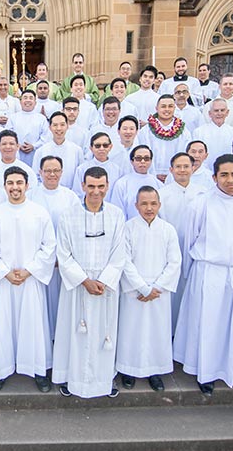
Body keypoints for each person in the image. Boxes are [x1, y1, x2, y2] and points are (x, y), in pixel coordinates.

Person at [172, 154, 233, 403]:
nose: (230, 180)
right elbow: (189, 241)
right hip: (209, 271)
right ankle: (206, 372)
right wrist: (189, 275)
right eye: (224, 175)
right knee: (209, 325)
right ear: (214, 177)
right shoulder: (200, 204)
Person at [0, 166, 57, 392]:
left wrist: (29, 270)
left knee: (33, 325)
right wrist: (4, 272)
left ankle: (38, 370)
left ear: (27, 185)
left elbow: (49, 246)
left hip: (30, 280)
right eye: (10, 183)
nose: (15, 187)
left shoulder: (39, 212)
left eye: (19, 183)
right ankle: (1, 371)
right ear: (4, 186)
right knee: (3, 327)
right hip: (4, 281)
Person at [53, 166, 126, 398]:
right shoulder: (69, 215)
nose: (96, 191)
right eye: (91, 186)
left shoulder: (116, 215)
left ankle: (103, 382)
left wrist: (103, 280)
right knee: (74, 334)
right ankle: (71, 380)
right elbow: (63, 254)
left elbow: (119, 253)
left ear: (107, 186)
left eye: (101, 186)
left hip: (105, 287)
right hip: (78, 286)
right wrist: (84, 280)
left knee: (105, 335)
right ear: (83, 186)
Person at [116, 186, 181, 392]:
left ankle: (155, 371)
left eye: (153, 203)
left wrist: (157, 287)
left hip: (159, 292)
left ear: (159, 204)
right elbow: (124, 261)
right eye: (144, 203)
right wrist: (142, 288)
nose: (149, 208)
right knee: (131, 331)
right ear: (136, 205)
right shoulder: (127, 228)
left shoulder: (168, 229)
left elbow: (174, 262)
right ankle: (128, 369)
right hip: (135, 291)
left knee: (157, 332)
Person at [28, 156, 81, 335]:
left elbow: (76, 229)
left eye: (56, 170)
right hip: (38, 260)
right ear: (40, 172)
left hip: (63, 261)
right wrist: (43, 258)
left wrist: (62, 256)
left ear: (61, 172)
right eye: (48, 171)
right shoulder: (31, 196)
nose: (52, 174)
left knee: (61, 305)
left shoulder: (70, 197)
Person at [157, 152, 206, 331]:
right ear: (171, 169)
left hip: (195, 251)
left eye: (186, 166)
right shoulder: (162, 194)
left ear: (193, 168)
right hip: (170, 250)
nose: (182, 170)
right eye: (178, 166)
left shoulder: (203, 193)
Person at [137, 95, 192, 181]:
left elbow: (185, 154)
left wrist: (172, 174)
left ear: (174, 108)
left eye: (170, 106)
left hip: (175, 176)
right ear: (156, 108)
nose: (167, 109)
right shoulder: (146, 130)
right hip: (150, 176)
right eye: (163, 106)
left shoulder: (184, 131)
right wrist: (154, 174)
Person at [32, 111, 83, 189]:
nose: (59, 128)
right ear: (50, 127)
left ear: (67, 126)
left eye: (62, 125)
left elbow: (80, 176)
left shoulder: (77, 150)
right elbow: (36, 176)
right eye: (55, 125)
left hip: (70, 195)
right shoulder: (41, 151)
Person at [109, 145, 162, 219]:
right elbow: (117, 211)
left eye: (146, 158)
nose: (142, 161)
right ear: (132, 161)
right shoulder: (122, 184)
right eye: (138, 158)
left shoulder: (158, 184)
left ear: (151, 161)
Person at [193, 98, 233, 169]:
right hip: (205, 172)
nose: (219, 113)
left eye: (222, 110)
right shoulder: (199, 132)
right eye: (216, 110)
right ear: (210, 113)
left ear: (227, 112)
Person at [73, 133, 122, 198]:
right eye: (97, 146)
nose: (101, 148)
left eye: (105, 145)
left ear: (110, 147)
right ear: (91, 148)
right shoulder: (82, 169)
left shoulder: (117, 170)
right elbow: (77, 193)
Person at [10, 89, 50, 166]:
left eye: (31, 98)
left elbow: (46, 137)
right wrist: (18, 145)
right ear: (20, 101)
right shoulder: (13, 118)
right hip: (17, 154)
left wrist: (34, 146)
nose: (28, 100)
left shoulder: (41, 119)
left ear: (35, 102)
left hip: (35, 155)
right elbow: (8, 135)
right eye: (25, 98)